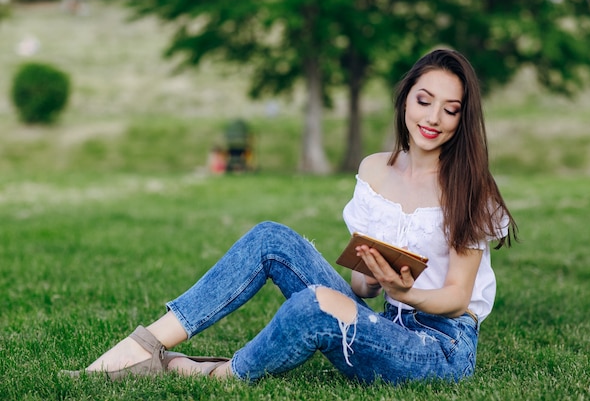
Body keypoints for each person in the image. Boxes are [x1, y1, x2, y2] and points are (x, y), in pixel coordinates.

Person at [62, 48, 517, 384]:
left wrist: (408, 292)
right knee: (270, 238)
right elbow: (360, 286)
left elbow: (458, 298)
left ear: (462, 119)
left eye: (450, 109)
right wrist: (375, 280)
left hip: (439, 348)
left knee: (312, 306)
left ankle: (219, 376)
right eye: (424, 100)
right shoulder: (375, 171)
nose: (433, 116)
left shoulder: (470, 187)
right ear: (405, 101)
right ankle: (142, 347)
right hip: (381, 320)